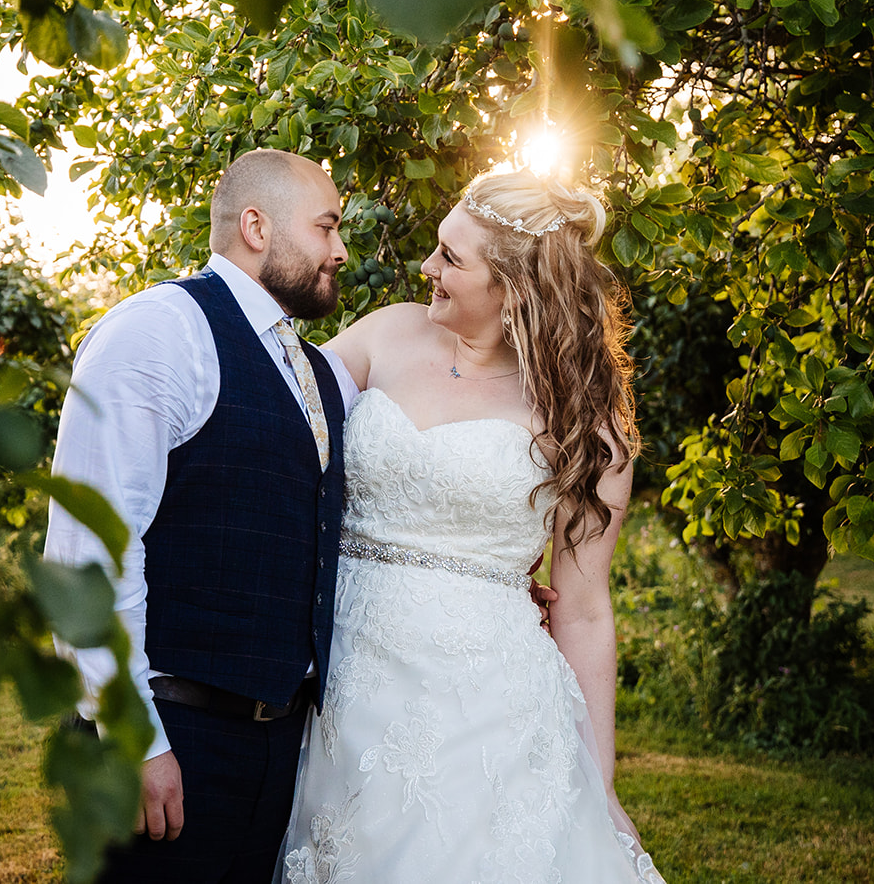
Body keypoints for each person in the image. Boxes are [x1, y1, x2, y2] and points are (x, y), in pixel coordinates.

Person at [279, 166, 666, 883]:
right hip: (342, 684)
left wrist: (602, 782)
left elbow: (582, 610)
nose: (427, 267)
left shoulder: (585, 423)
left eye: (451, 259)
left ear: (515, 293)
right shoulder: (387, 334)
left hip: (487, 707)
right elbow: (278, 425)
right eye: (436, 246)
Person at [44, 148, 359, 883]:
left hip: (277, 749)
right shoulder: (159, 333)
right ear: (257, 225)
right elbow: (90, 552)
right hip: (172, 732)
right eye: (327, 227)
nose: (340, 251)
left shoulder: (313, 369)